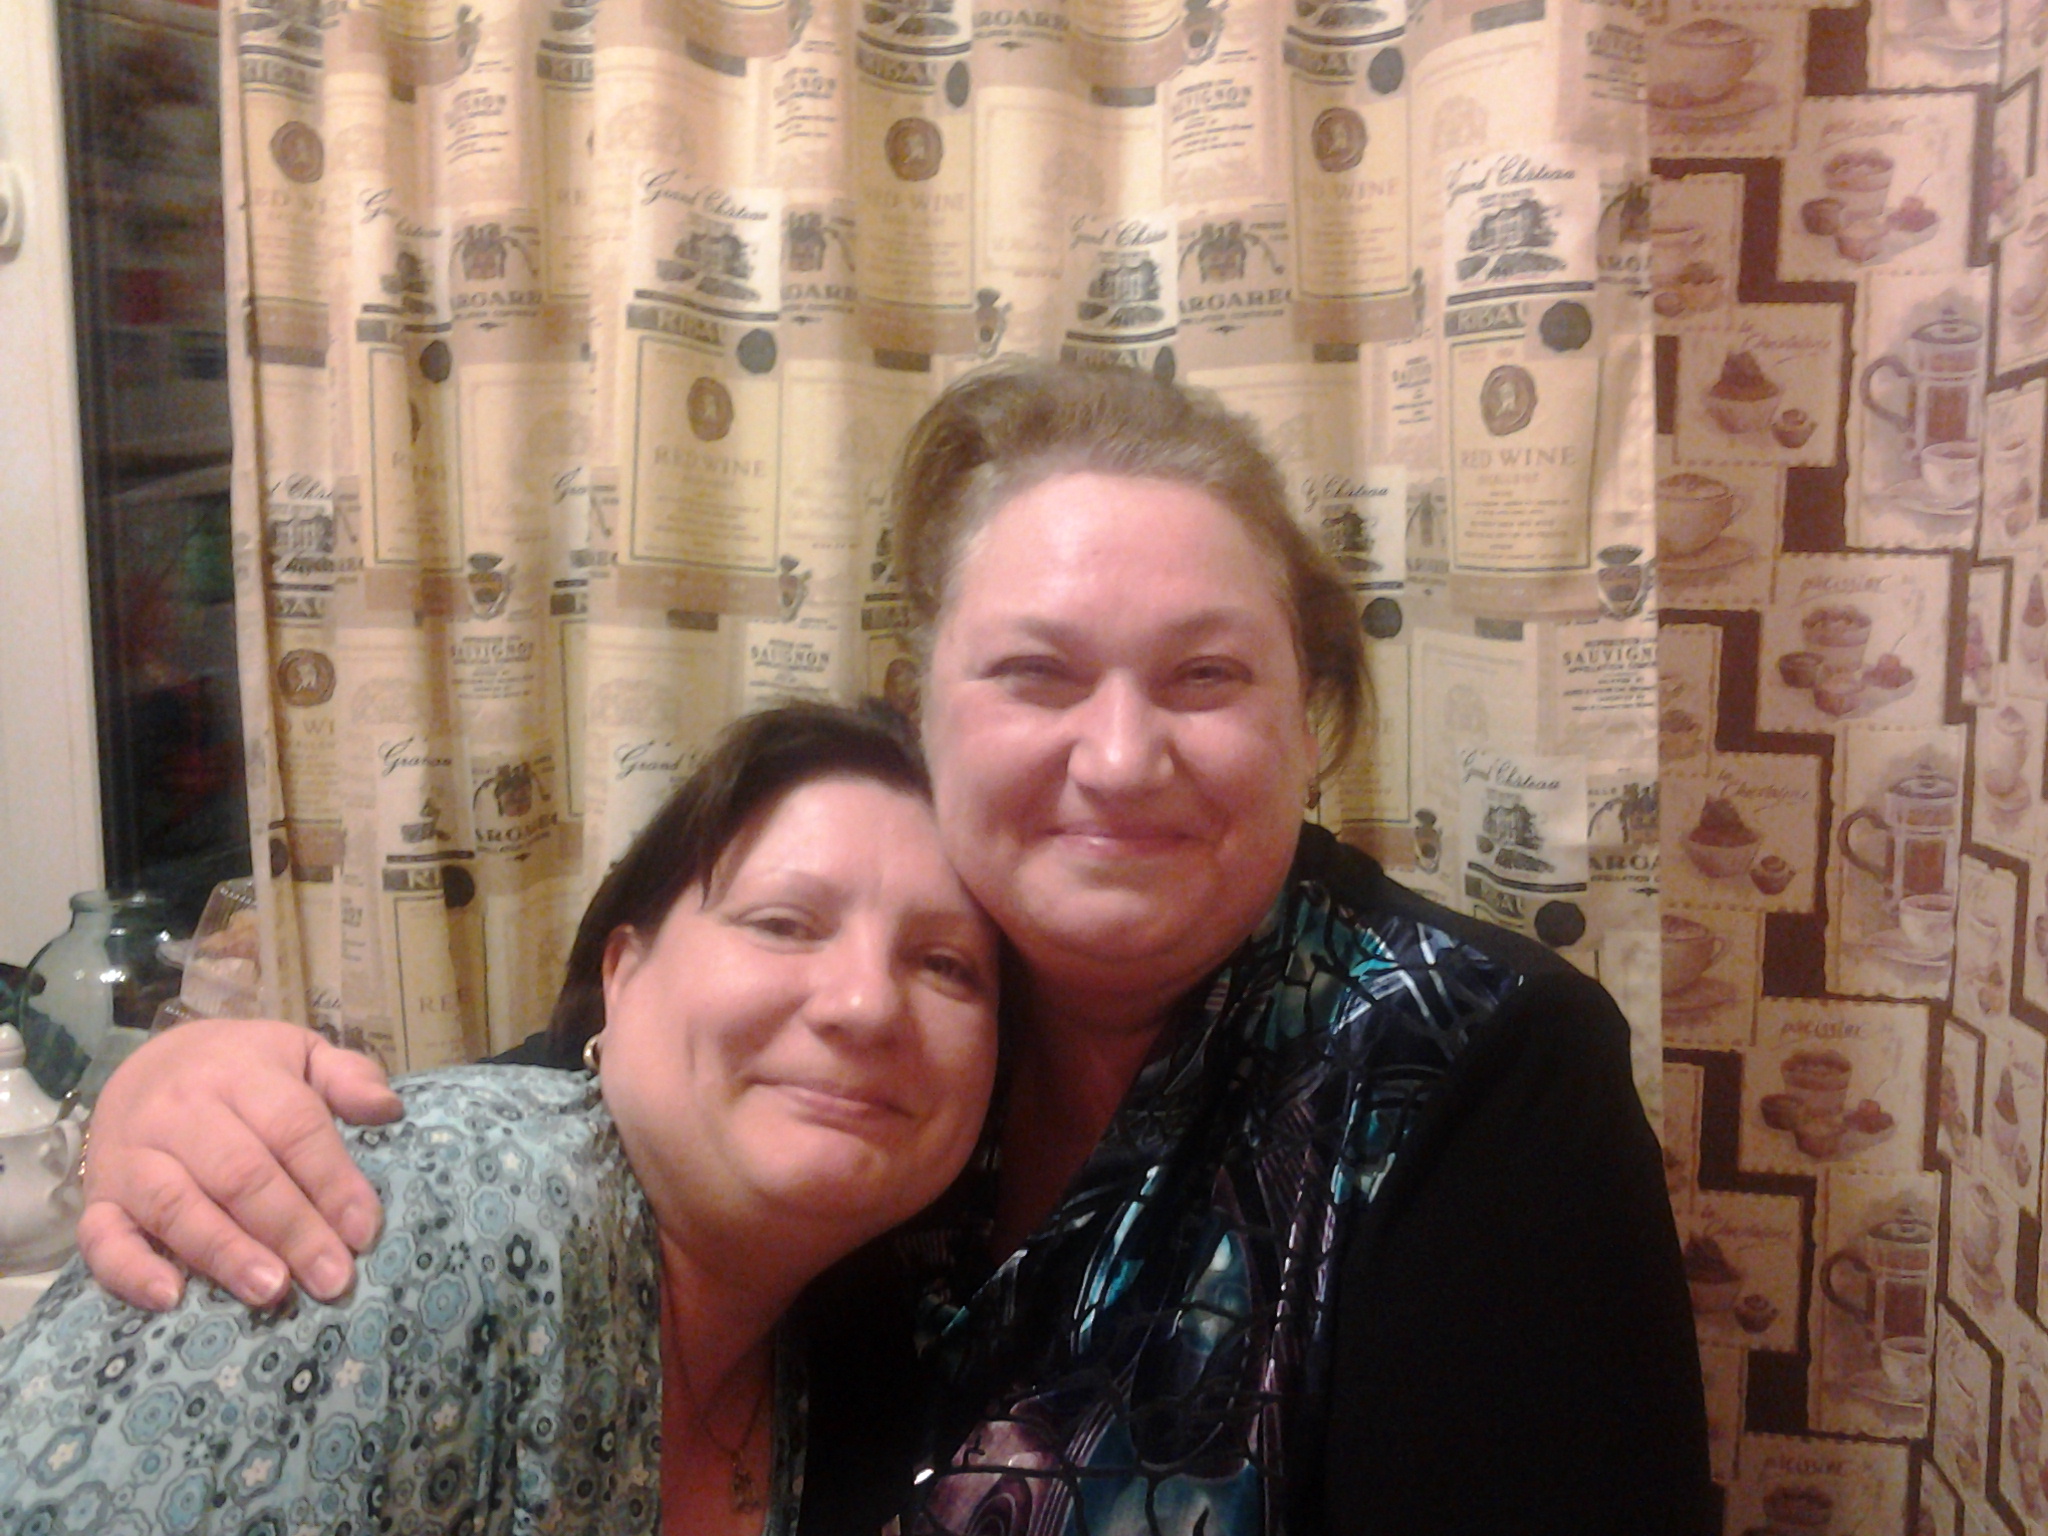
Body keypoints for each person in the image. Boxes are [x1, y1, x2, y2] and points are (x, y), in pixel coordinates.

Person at [77, 360, 1711, 1534]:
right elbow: (572, 1101)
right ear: (920, 710)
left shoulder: (1475, 1067)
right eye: (1035, 674)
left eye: (1206, 678)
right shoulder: (883, 993)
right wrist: (198, 1091)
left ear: (1313, 724)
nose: (1120, 756)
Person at [0, 703, 998, 1535]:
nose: (867, 1004)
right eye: (782, 923)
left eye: (946, 965)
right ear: (624, 975)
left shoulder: (858, 1351)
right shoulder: (417, 1228)